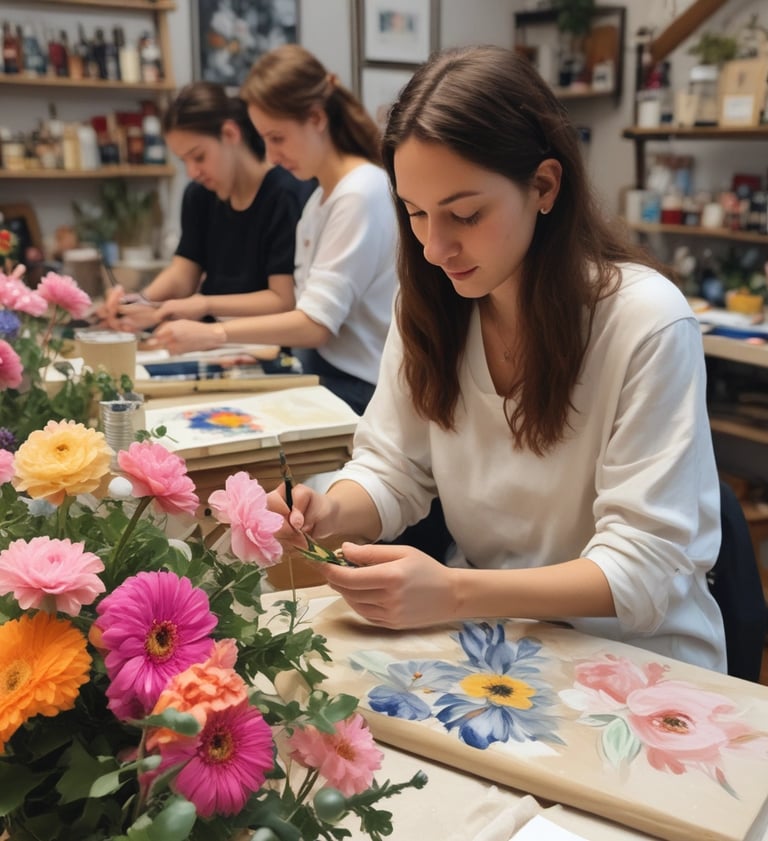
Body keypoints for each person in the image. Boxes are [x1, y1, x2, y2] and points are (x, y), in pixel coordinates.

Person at [269, 45, 727, 673]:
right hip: (493, 641)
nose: (435, 247)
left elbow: (643, 567)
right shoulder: (430, 308)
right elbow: (393, 468)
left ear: (543, 185)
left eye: (464, 214)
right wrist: (325, 509)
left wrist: (454, 593)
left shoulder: (645, 321)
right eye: (415, 213)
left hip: (638, 658)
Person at [150, 45, 397, 415]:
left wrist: (213, 332)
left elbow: (315, 325)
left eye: (277, 138)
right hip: (323, 373)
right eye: (264, 139)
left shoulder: (360, 192)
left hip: (361, 390)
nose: (271, 154)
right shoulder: (319, 201)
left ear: (316, 119)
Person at [101, 80, 312, 333]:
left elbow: (283, 300)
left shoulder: (284, 194)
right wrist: (139, 302)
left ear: (231, 134)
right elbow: (183, 273)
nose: (193, 172)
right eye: (184, 162)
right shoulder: (199, 196)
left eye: (199, 157)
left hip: (267, 345)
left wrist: (204, 304)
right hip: (210, 342)